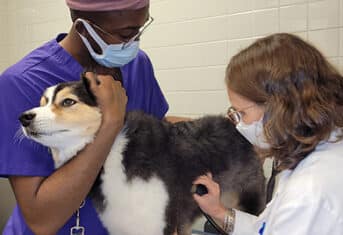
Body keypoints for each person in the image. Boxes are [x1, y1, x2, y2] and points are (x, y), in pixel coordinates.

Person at [0, 0, 170, 234]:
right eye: (126, 34)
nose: (133, 43)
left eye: (139, 30)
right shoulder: (21, 83)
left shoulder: (137, 64)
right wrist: (110, 123)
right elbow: (41, 219)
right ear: (82, 28)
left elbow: (155, 135)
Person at [193, 33, 343, 235]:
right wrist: (217, 211)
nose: (240, 124)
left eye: (242, 113)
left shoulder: (308, 192)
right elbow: (267, 229)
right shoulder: (322, 154)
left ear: (278, 108)